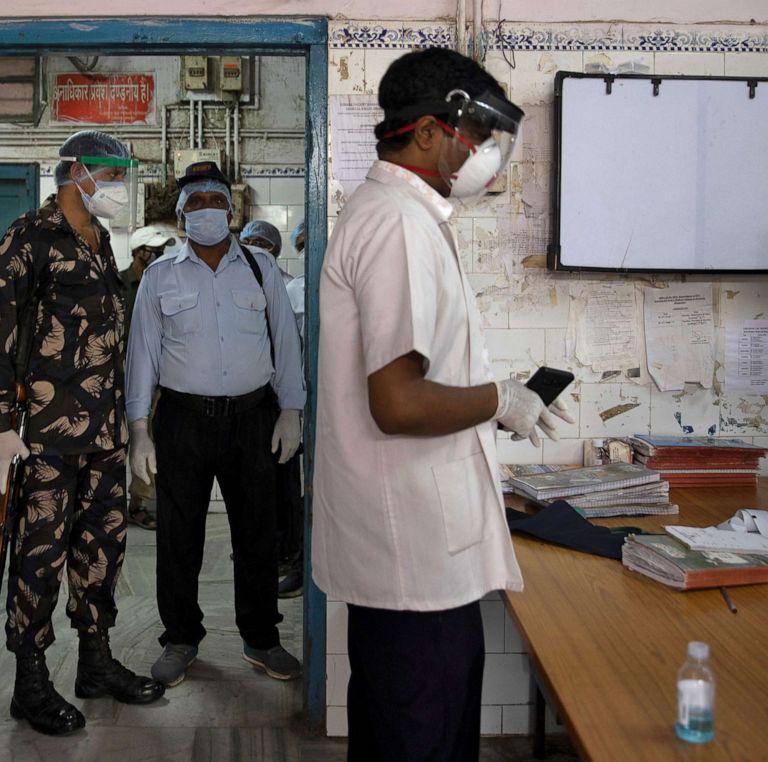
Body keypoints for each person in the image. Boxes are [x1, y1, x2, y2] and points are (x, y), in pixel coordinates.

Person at [312, 48, 574, 762]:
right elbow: (395, 403)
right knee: (422, 740)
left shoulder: (400, 215)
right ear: (428, 131)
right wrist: (500, 401)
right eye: (478, 136)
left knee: (401, 733)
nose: (485, 155)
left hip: (411, 554)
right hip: (414, 560)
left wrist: (494, 398)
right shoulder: (397, 223)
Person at [0, 129, 164, 737]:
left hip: (103, 433)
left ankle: (95, 661)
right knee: (39, 555)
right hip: (48, 436)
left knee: (101, 550)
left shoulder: (101, 241)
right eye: (109, 174)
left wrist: (133, 428)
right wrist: (0, 425)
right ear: (76, 170)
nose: (117, 186)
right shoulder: (28, 237)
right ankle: (29, 680)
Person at [126, 161, 305, 688]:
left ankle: (261, 637)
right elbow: (142, 355)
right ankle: (180, 638)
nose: (207, 210)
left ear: (231, 210)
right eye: (196, 203)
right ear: (182, 216)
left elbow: (286, 344)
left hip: (252, 417)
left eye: (216, 201)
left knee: (256, 532)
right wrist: (139, 426)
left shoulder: (259, 269)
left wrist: (291, 409)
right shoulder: (160, 275)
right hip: (183, 420)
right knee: (179, 534)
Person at [119, 224, 177, 531]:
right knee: (115, 441)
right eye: (154, 250)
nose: (158, 255)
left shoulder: (165, 283)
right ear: (139, 251)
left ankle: (137, 504)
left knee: (149, 439)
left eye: (162, 250)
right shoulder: (118, 283)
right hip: (118, 375)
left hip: (156, 377)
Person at [277, 220, 307, 598]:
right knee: (295, 486)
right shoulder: (292, 292)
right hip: (296, 403)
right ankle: (299, 561)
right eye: (302, 244)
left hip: (338, 407)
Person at [240, 219, 292, 284]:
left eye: (256, 244)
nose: (248, 248)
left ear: (275, 250)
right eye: (245, 243)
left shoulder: (288, 285)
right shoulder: (236, 280)